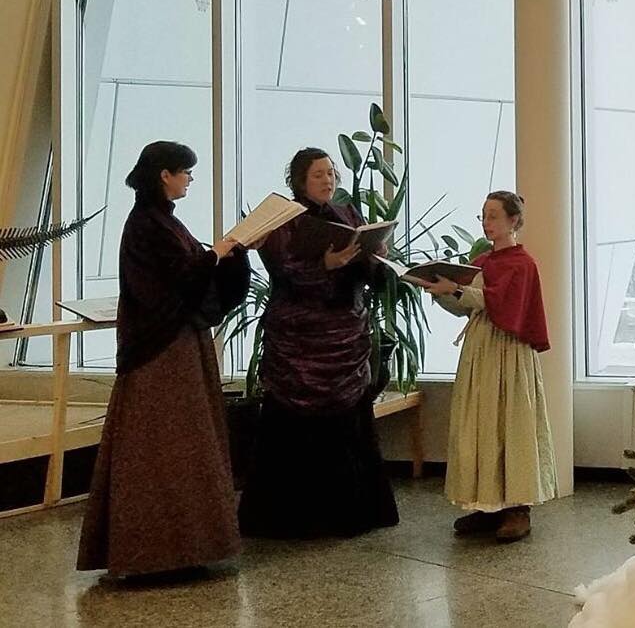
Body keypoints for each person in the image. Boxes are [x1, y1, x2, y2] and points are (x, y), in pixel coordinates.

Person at [77, 141, 251, 578]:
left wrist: (232, 253)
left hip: (178, 344)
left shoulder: (161, 222)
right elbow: (177, 279)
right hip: (161, 350)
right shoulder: (145, 225)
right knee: (165, 448)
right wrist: (217, 253)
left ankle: (184, 547)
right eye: (185, 171)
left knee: (184, 445)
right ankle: (157, 552)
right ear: (164, 175)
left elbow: (190, 270)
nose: (190, 179)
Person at [238, 147, 399, 538]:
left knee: (349, 426)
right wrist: (325, 266)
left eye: (331, 173)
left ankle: (353, 513)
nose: (328, 180)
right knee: (292, 431)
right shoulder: (284, 221)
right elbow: (282, 274)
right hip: (299, 341)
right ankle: (293, 517)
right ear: (299, 181)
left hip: (345, 334)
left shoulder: (348, 215)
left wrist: (375, 257)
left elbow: (368, 277)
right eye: (318, 175)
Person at [422, 191, 557, 542]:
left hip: (508, 350)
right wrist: (442, 291)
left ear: (514, 220)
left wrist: (459, 290)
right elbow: (470, 306)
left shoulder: (522, 264)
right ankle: (487, 504)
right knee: (480, 422)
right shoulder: (481, 262)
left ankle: (517, 508)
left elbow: (502, 304)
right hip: (480, 349)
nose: (487, 222)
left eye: (494, 215)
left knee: (509, 422)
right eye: (483, 216)